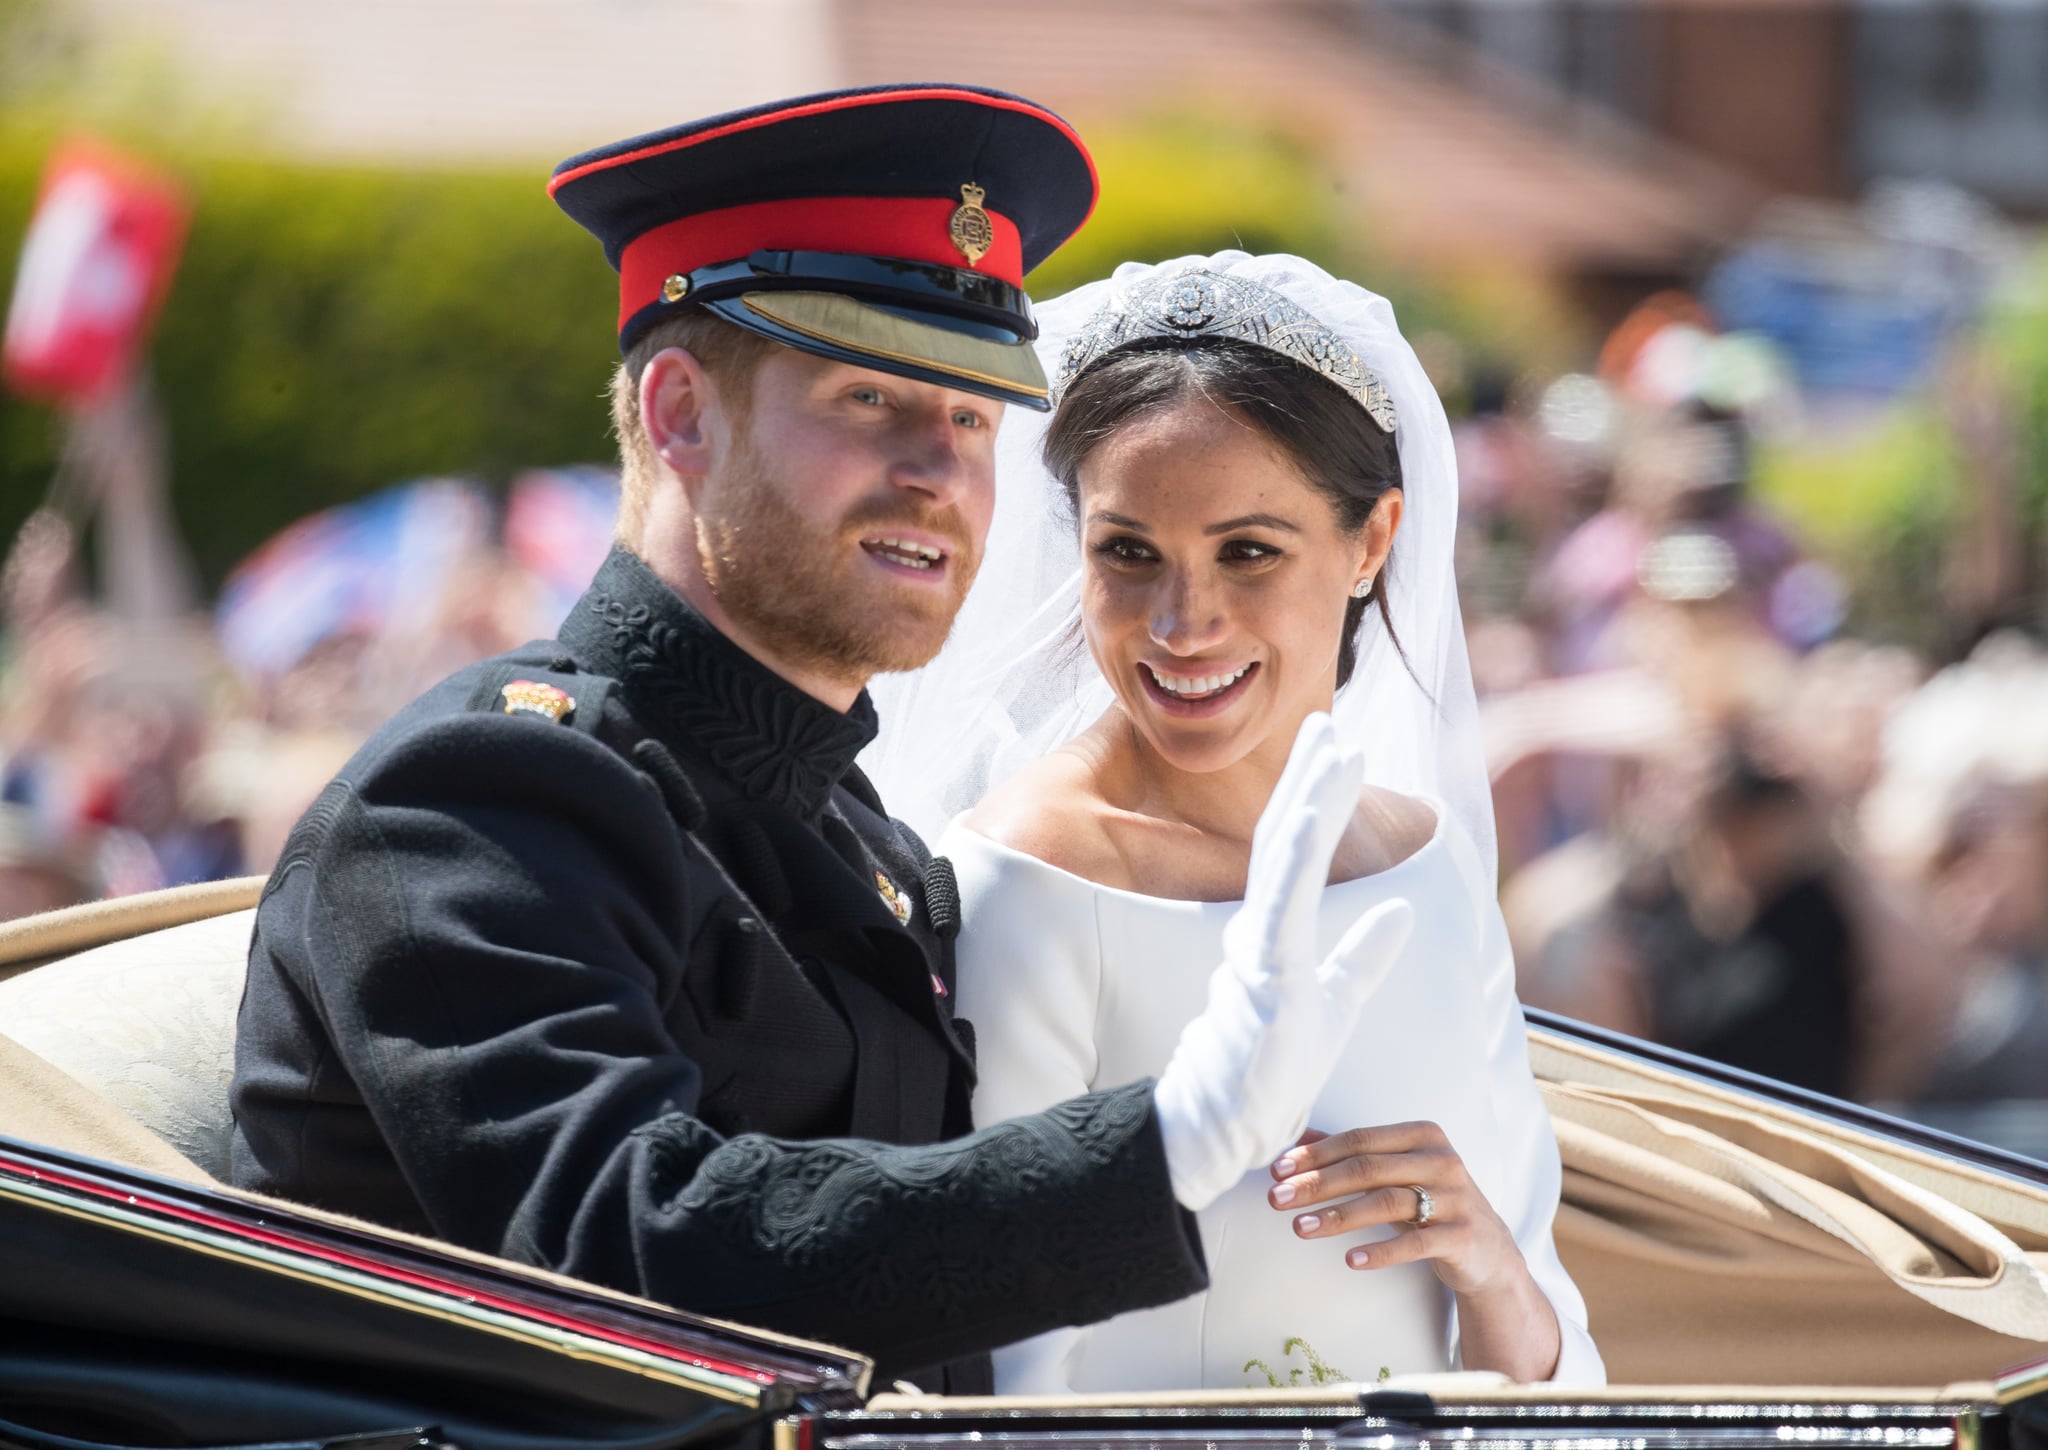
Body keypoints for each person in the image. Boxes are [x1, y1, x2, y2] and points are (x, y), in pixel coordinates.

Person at [229, 90, 1411, 1394]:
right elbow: (629, 1252)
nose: (941, 472)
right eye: (869, 396)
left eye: (971, 415)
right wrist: (1165, 1142)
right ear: (679, 413)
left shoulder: (857, 831)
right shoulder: (475, 802)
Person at [865, 254, 1603, 1388]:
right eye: (1128, 554)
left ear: (1370, 542)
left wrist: (1487, 1262)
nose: (1182, 621)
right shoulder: (1028, 876)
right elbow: (998, 1366)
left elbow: (1552, 1357)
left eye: (1247, 551)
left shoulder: (1425, 862)